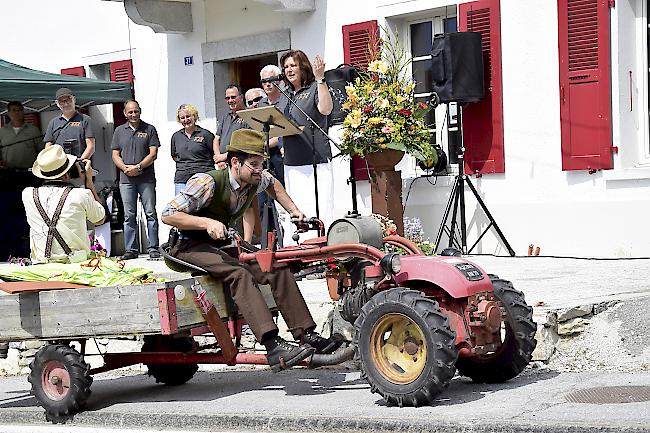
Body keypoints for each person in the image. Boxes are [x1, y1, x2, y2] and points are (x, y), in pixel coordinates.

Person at [161, 129, 341, 371]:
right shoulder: (207, 182)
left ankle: (306, 334)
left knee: (275, 265)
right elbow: (168, 214)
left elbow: (274, 185)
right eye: (255, 164)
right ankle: (272, 344)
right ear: (235, 163)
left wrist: (294, 211)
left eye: (262, 164)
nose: (260, 170)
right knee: (239, 273)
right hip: (187, 245)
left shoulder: (254, 177)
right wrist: (206, 223)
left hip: (218, 243)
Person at [280, 50, 334, 243]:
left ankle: (321, 246)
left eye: (292, 65)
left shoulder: (314, 88)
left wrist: (321, 79)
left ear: (303, 67)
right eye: (285, 67)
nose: (288, 70)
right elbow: (278, 121)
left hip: (315, 160)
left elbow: (326, 109)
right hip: (292, 162)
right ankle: (297, 246)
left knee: (319, 208)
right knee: (297, 207)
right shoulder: (284, 95)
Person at [21, 145, 105, 264]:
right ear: (67, 174)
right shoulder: (81, 195)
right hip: (75, 264)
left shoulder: (28, 194)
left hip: (41, 264)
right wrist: (88, 181)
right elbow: (100, 219)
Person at [111, 100, 161, 260]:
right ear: (125, 113)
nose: (133, 115)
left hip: (146, 178)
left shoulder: (149, 129)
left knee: (150, 213)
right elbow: (115, 155)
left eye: (136, 111)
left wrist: (138, 167)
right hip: (126, 180)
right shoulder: (119, 131)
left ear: (140, 111)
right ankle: (131, 250)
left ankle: (153, 248)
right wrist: (125, 169)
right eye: (130, 112)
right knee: (129, 215)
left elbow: (153, 154)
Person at [171, 104, 217, 195]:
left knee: (204, 208)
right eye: (182, 118)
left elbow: (215, 154)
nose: (185, 120)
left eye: (188, 116)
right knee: (180, 207)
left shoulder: (206, 134)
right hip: (182, 177)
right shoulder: (176, 136)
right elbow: (174, 156)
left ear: (194, 116)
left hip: (203, 176)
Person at [44, 88, 94, 159]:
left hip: (79, 162)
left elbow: (90, 146)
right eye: (61, 101)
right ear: (57, 103)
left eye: (69, 99)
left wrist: (80, 162)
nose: (66, 103)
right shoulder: (53, 123)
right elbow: (48, 146)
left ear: (74, 99)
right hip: (59, 165)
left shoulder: (85, 119)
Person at [214, 84, 250, 169]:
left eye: (233, 97)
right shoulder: (225, 117)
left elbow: (245, 144)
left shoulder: (248, 116)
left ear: (241, 97)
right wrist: (219, 158)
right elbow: (216, 139)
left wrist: (225, 156)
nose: (230, 100)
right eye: (227, 98)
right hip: (222, 165)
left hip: (239, 164)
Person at [0, 101, 44, 169]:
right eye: (14, 110)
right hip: (7, 172)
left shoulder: (33, 130)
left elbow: (42, 151)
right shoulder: (2, 131)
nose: (17, 113)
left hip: (30, 172)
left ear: (23, 112)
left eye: (19, 110)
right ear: (8, 113)